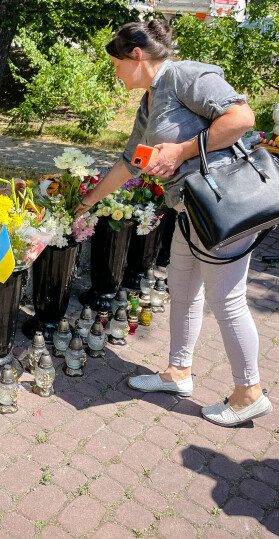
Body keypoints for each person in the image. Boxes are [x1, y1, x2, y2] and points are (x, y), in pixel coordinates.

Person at [80, 20, 272, 427]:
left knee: (227, 301)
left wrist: (183, 150)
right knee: (182, 290)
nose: (115, 74)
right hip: (190, 210)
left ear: (136, 55)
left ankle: (249, 392)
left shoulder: (185, 76)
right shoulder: (149, 101)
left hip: (222, 208)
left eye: (116, 64)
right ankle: (178, 372)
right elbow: (131, 160)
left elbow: (242, 117)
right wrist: (90, 200)